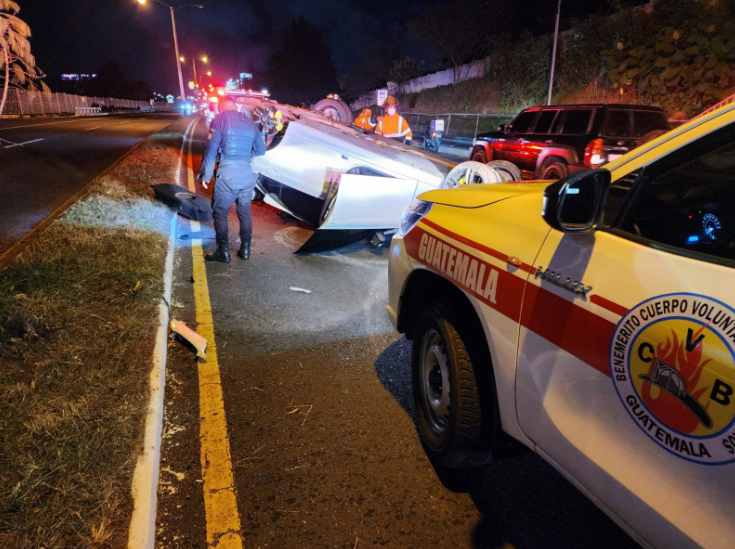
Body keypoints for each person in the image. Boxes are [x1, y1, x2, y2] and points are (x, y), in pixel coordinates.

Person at [197, 96, 266, 263]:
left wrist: (205, 175)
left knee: (220, 214)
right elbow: (261, 150)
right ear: (236, 107)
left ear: (220, 108)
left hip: (227, 176)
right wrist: (245, 156)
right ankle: (246, 250)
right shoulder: (250, 122)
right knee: (244, 213)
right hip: (247, 176)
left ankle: (223, 252)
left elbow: (211, 150)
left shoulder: (219, 119)